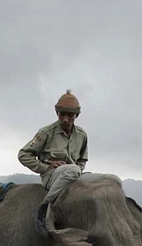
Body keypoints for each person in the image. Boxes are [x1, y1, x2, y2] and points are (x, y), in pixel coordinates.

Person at [18, 90, 103, 235]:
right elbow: (23, 154)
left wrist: (80, 170)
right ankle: (44, 208)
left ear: (76, 116)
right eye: (62, 114)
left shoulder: (81, 135)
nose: (65, 119)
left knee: (113, 179)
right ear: (57, 113)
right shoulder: (46, 132)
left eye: (70, 115)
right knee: (73, 170)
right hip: (52, 176)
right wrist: (45, 167)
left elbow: (83, 159)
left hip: (74, 175)